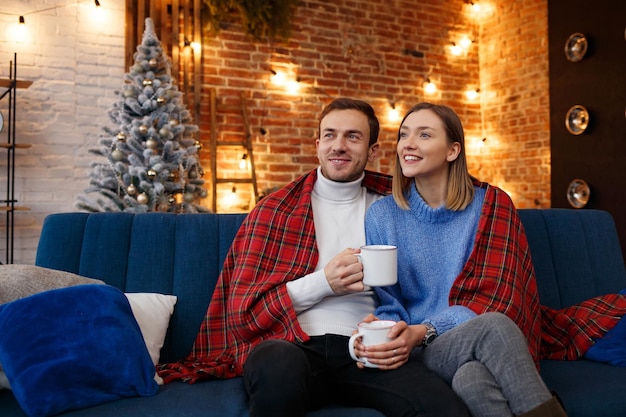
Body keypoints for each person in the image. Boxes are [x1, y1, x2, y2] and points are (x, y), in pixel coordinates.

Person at [159, 98, 471, 417]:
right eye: (330, 135)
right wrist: (325, 282)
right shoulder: (275, 210)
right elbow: (245, 313)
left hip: (365, 349)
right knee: (277, 368)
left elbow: (450, 215)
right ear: (317, 144)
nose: (339, 146)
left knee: (443, 407)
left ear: (373, 150)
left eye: (353, 136)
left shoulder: (396, 207)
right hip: (289, 343)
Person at [353, 102, 626, 417]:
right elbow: (389, 301)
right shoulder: (382, 216)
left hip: (464, 335)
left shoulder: (491, 206)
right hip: (423, 349)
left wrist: (427, 327)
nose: (408, 144)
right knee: (493, 328)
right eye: (403, 135)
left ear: (453, 150)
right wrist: (392, 334)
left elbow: (500, 299)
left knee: (473, 380)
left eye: (424, 135)